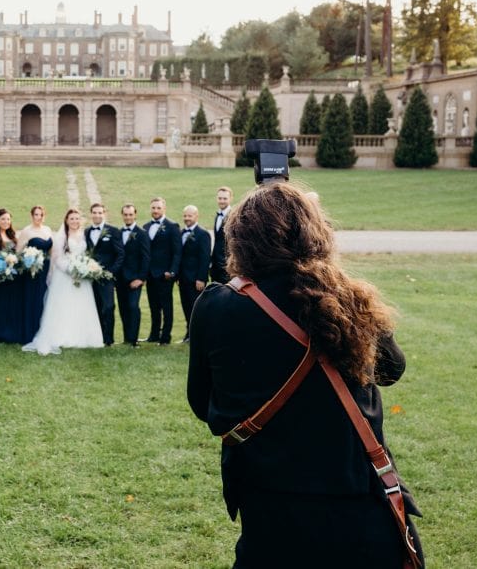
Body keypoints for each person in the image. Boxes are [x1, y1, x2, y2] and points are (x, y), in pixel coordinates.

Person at [187, 182, 424, 568]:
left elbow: (203, 404)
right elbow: (392, 369)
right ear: (316, 234)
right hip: (356, 505)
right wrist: (333, 275)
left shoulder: (217, 307)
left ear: (241, 240)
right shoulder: (346, 298)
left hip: (268, 505)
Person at [23, 208, 104, 355]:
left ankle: (84, 337)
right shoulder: (61, 237)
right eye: (71, 218)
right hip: (65, 276)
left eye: (77, 218)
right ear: (66, 220)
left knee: (81, 305)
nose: (74, 221)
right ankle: (62, 336)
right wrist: (71, 270)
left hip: (82, 277)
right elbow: (57, 258)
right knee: (64, 305)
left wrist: (85, 268)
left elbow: (87, 254)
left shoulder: (84, 235)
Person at [142, 196, 182, 345]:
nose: (156, 210)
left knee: (166, 307)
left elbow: (177, 252)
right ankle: (153, 334)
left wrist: (172, 272)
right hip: (150, 274)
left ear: (164, 208)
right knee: (153, 306)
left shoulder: (172, 226)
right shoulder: (145, 227)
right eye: (153, 207)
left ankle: (165, 337)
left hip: (165, 274)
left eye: (158, 208)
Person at [86, 202, 123, 346]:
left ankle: (109, 339)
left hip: (107, 277)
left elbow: (120, 254)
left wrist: (111, 272)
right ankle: (98, 337)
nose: (97, 215)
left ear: (104, 213)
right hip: (91, 277)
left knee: (108, 307)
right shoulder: (87, 231)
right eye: (94, 212)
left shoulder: (113, 231)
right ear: (91, 214)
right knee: (95, 307)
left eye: (100, 212)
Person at [17, 205, 54, 343]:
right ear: (32, 216)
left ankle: (43, 330)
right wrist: (29, 259)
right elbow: (18, 252)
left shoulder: (48, 229)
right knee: (33, 299)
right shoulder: (27, 231)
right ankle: (30, 331)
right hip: (31, 271)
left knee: (44, 298)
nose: (39, 217)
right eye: (36, 215)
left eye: (41, 215)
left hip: (45, 269)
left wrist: (51, 270)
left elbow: (51, 252)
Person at [0, 208, 23, 343]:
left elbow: (18, 255)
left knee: (11, 303)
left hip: (12, 275)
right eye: (3, 219)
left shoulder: (14, 237)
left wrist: (13, 265)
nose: (6, 221)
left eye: (8, 219)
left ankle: (11, 331)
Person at [115, 203, 150, 347]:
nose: (128, 217)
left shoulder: (141, 233)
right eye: (125, 214)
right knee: (123, 308)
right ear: (122, 215)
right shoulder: (117, 232)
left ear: (135, 215)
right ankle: (126, 338)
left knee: (133, 306)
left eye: (130, 214)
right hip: (120, 279)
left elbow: (146, 257)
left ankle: (134, 340)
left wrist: (141, 278)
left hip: (135, 278)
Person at [177, 204, 211, 343]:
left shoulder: (203, 234)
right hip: (183, 278)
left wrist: (201, 278)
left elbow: (205, 258)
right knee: (186, 307)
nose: (187, 218)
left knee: (195, 308)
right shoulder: (180, 233)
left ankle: (196, 335)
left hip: (196, 279)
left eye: (189, 216)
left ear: (196, 216)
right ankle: (188, 333)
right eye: (185, 216)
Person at [209, 186, 232, 284]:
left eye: (225, 198)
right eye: (220, 198)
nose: (222, 201)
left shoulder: (233, 216)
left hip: (226, 265)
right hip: (215, 265)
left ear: (231, 199)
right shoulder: (218, 216)